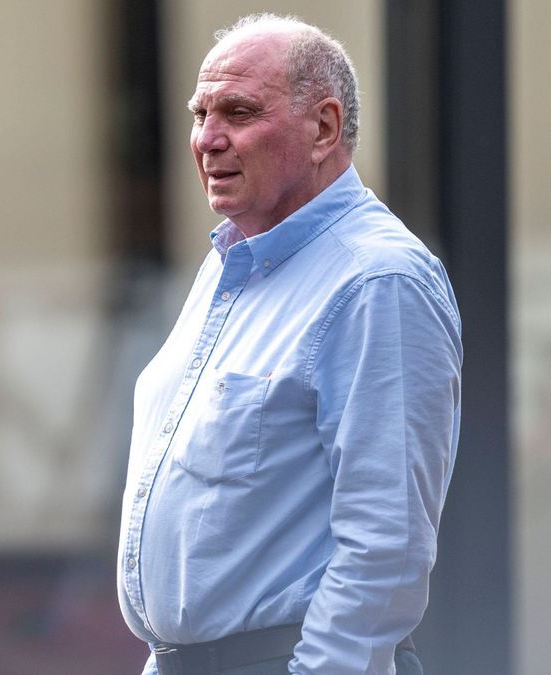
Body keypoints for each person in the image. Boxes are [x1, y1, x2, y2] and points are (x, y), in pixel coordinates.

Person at [117, 14, 461, 675]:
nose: (207, 139)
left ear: (324, 128)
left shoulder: (376, 279)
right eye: (200, 113)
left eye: (239, 112)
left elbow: (383, 547)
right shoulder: (231, 262)